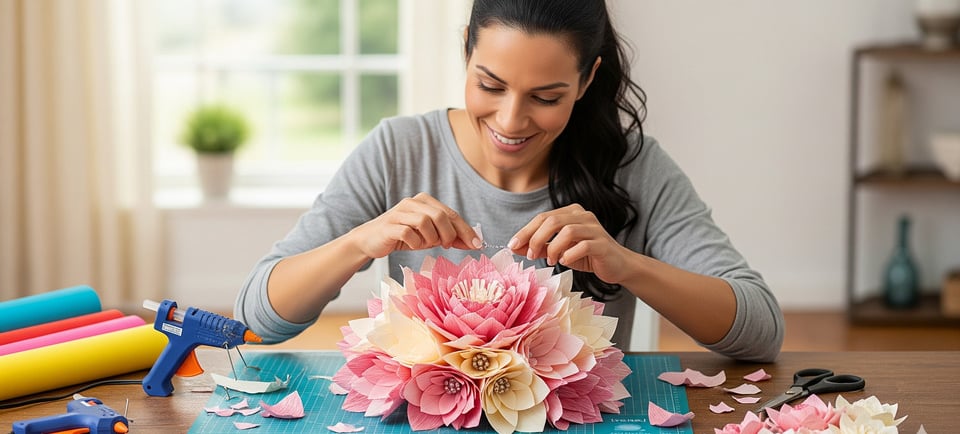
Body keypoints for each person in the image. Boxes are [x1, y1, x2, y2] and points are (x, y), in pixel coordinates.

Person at [234, 0, 784, 362]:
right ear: (467, 50)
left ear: (588, 78)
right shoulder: (398, 150)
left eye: (546, 98)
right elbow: (258, 319)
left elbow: (761, 331)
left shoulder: (633, 165)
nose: (511, 120)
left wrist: (627, 264)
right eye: (490, 85)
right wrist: (359, 242)